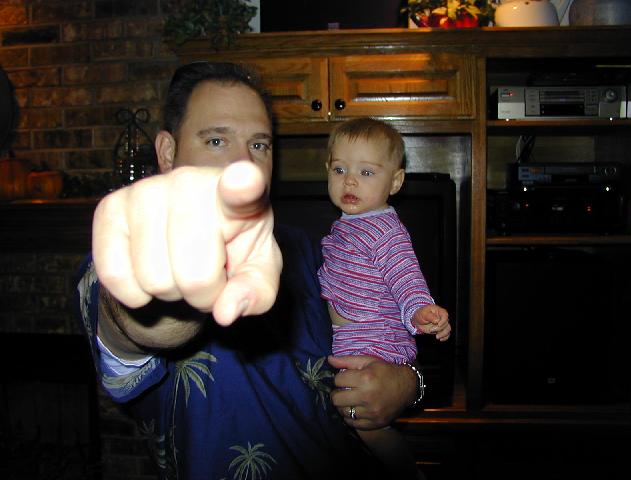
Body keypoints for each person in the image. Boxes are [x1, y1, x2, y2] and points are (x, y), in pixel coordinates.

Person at [76, 62, 449, 479]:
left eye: (259, 145)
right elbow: (138, 324)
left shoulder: (309, 249)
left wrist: (407, 383)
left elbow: (382, 331)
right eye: (216, 140)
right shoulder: (117, 260)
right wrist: (169, 280)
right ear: (167, 152)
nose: (245, 164)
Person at [318, 117, 451, 477]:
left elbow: (405, 276)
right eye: (340, 169)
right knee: (354, 426)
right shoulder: (350, 223)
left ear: (395, 182)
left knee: (367, 427)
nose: (349, 181)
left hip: (375, 342)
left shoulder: (385, 231)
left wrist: (419, 310)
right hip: (355, 340)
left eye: (366, 172)